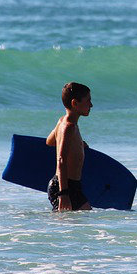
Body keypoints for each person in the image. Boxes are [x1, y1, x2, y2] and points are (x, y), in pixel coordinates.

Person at [45, 82, 93, 211]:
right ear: (75, 103)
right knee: (76, 223)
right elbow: (61, 159)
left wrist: (77, 144)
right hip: (65, 186)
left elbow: (50, 141)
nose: (91, 105)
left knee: (72, 225)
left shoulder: (62, 121)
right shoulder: (69, 127)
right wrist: (63, 194)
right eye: (88, 101)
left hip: (68, 185)